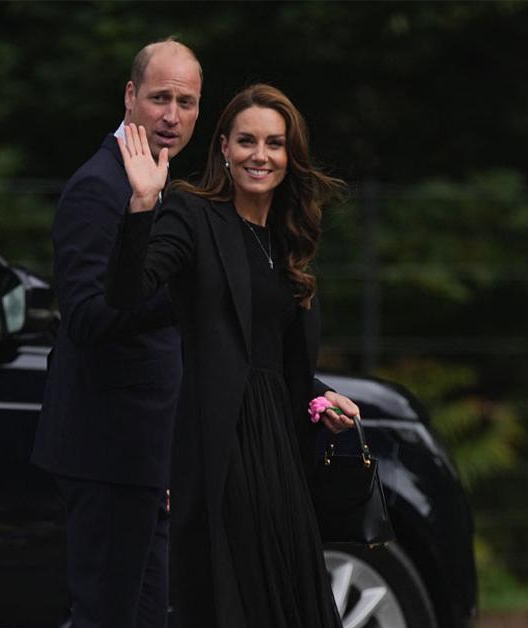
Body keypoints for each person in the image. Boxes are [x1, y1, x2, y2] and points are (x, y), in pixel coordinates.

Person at [106, 84, 358, 627]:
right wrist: (143, 205)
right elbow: (129, 293)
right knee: (235, 603)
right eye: (246, 141)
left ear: (290, 157)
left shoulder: (288, 240)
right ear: (224, 147)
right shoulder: (192, 214)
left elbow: (283, 366)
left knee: (294, 605)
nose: (259, 155)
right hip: (219, 445)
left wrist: (320, 400)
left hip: (280, 456)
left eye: (273, 143)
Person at [31, 38, 201, 628]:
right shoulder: (97, 186)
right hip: (105, 455)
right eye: (159, 98)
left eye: (186, 101)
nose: (172, 116)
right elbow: (84, 316)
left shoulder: (162, 182)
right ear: (131, 97)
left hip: (146, 460)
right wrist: (177, 297)